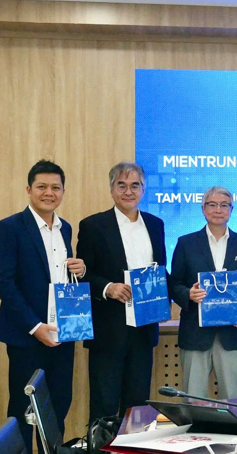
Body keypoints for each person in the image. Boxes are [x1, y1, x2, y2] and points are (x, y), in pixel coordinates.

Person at [0, 160, 86, 454]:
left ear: (63, 191)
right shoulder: (8, 228)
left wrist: (80, 270)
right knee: (23, 411)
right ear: (29, 190)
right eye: (42, 186)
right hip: (26, 336)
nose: (49, 193)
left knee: (58, 406)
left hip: (62, 334)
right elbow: (4, 284)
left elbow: (60, 279)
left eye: (55, 187)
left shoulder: (65, 228)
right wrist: (35, 327)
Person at [78, 162, 167, 422]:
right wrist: (108, 288)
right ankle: (102, 445)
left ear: (143, 190)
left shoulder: (156, 224)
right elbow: (83, 274)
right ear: (111, 190)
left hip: (144, 329)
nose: (128, 191)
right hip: (109, 330)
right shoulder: (93, 226)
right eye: (122, 185)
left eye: (135, 186)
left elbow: (161, 270)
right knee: (104, 406)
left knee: (137, 407)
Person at [168, 186, 237, 399]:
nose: (218, 210)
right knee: (193, 399)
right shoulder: (186, 243)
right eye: (212, 205)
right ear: (203, 209)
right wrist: (188, 294)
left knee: (233, 399)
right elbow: (174, 283)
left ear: (231, 210)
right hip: (195, 332)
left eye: (224, 205)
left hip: (232, 333)